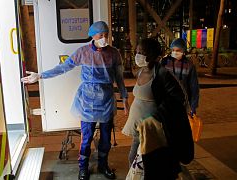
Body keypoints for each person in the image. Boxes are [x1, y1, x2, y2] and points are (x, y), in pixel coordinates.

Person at [22, 21, 129, 180]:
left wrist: (125, 97)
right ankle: (83, 168)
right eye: (101, 35)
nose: (104, 38)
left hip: (106, 101)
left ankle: (103, 165)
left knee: (106, 138)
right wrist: (40, 76)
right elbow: (63, 68)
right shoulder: (82, 52)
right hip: (87, 101)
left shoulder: (114, 53)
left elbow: (119, 78)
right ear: (92, 35)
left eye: (106, 34)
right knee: (86, 138)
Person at [122, 38, 194, 179]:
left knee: (146, 163)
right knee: (136, 161)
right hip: (139, 128)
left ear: (151, 54)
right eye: (137, 51)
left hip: (152, 130)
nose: (137, 55)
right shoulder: (141, 71)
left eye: (141, 52)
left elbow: (178, 98)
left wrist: (156, 116)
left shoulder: (162, 74)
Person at [161, 38, 199, 116]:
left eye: (178, 50)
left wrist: (193, 106)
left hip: (182, 103)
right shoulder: (165, 62)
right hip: (166, 102)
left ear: (183, 51)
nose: (175, 52)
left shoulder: (189, 66)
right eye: (173, 50)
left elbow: (194, 87)